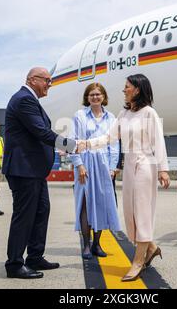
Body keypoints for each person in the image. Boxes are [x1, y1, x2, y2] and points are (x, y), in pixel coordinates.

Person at [81, 74, 170, 282]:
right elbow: (108, 138)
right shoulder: (124, 113)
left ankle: (137, 262)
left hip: (146, 164)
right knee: (130, 213)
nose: (124, 90)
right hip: (129, 164)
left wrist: (163, 169)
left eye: (127, 87)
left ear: (137, 89)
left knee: (142, 212)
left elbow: (159, 142)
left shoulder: (149, 113)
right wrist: (85, 144)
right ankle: (152, 248)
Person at [3, 67, 77, 279]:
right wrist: (71, 145)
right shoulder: (24, 99)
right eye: (47, 80)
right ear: (32, 80)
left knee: (41, 211)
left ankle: (35, 257)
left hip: (33, 171)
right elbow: (41, 132)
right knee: (24, 216)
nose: (49, 85)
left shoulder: (30, 100)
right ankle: (14, 264)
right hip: (23, 170)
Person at [70, 83, 121, 259]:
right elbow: (73, 142)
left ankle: (97, 244)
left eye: (98, 94)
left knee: (101, 203)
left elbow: (114, 144)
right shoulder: (79, 115)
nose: (95, 97)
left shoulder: (111, 118)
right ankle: (86, 244)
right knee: (85, 204)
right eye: (91, 94)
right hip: (85, 162)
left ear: (103, 96)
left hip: (104, 164)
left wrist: (113, 167)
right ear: (87, 97)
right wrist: (79, 165)